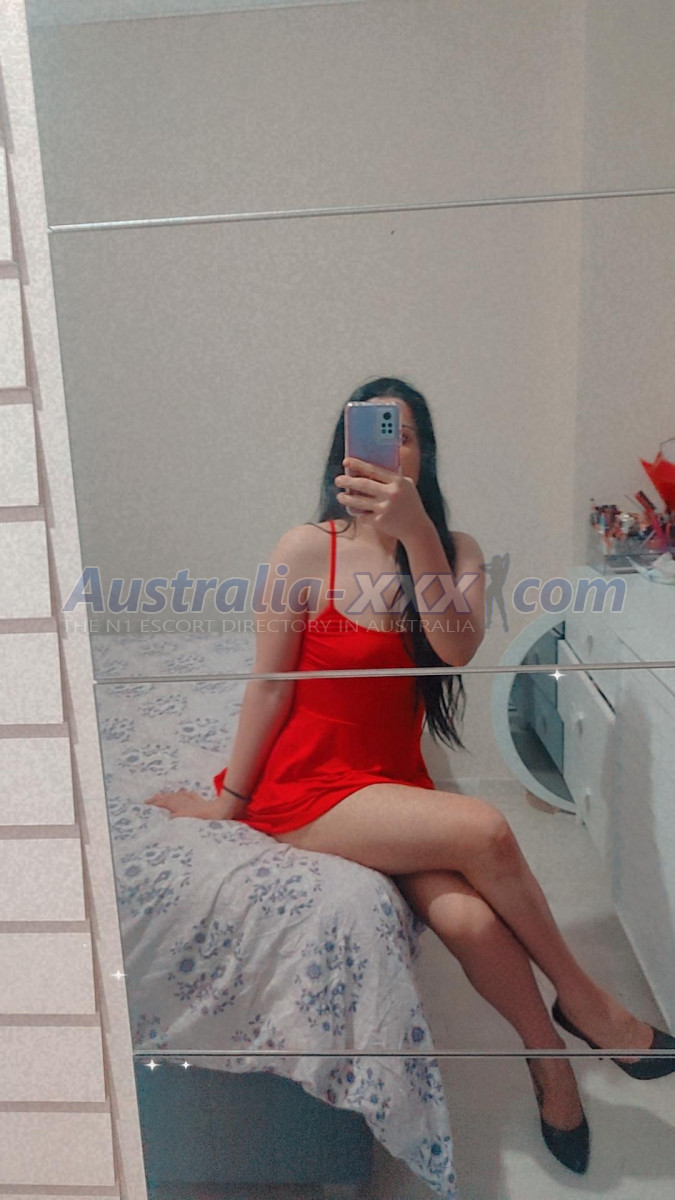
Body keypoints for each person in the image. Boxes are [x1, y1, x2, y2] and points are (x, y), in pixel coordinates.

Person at [147, 376, 675, 1176]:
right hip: (308, 785)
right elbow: (269, 687)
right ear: (344, 452)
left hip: (389, 782)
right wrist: (229, 802)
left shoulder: (455, 551)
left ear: (424, 454)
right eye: (374, 434)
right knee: (485, 828)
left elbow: (456, 649)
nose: (390, 452)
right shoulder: (305, 548)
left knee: (468, 921)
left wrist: (418, 534)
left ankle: (548, 1062)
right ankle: (589, 1005)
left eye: (406, 437)